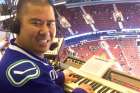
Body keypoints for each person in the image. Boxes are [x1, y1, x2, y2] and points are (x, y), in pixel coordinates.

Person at [0, 0, 94, 93]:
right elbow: (36, 82)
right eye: (36, 23)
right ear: (17, 26)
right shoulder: (30, 78)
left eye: (50, 23)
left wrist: (59, 77)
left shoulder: (14, 53)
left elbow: (42, 78)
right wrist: (81, 91)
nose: (45, 31)